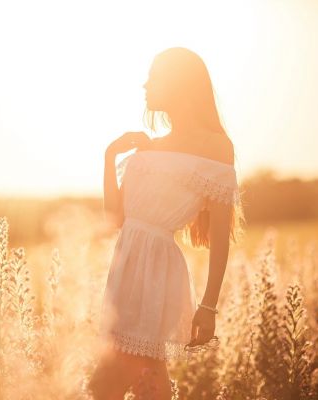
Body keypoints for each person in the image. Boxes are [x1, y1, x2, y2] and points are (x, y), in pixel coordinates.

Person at [87, 47, 245, 400]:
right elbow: (116, 218)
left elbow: (221, 237)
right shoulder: (149, 147)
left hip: (157, 271)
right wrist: (110, 155)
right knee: (136, 381)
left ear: (179, 84)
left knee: (124, 381)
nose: (145, 85)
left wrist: (208, 306)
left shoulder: (217, 147)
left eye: (154, 77)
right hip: (124, 271)